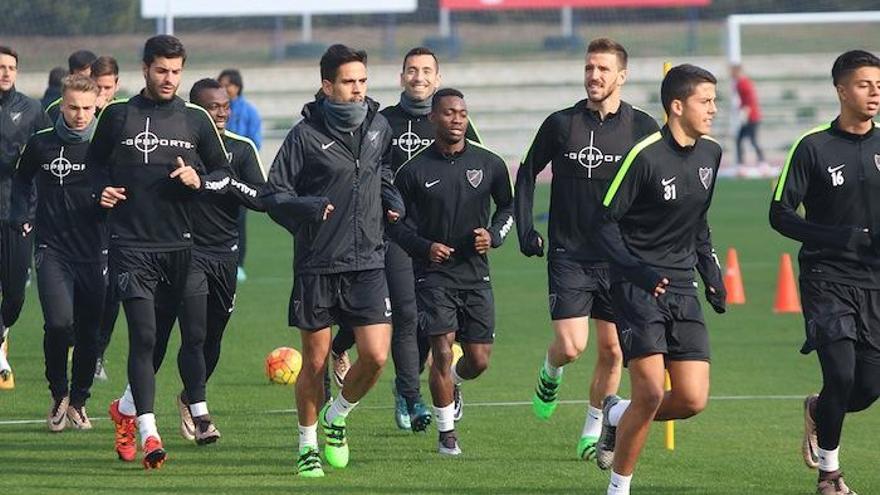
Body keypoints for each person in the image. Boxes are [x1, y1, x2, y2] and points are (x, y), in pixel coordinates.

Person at [87, 35, 232, 469]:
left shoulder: (196, 119)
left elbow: (223, 171)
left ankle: (170, 411)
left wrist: (199, 181)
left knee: (196, 335)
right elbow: (90, 167)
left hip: (183, 247)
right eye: (161, 71)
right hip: (131, 247)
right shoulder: (117, 115)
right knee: (146, 338)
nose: (169, 79)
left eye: (175, 72)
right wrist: (101, 191)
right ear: (146, 68)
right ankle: (150, 432)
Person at [261, 44, 403, 478]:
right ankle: (307, 444)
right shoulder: (303, 136)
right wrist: (307, 207)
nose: (358, 90)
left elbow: (382, 172)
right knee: (317, 364)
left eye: (362, 81)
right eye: (348, 82)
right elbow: (272, 195)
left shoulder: (379, 126)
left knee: (377, 356)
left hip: (368, 262)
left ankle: (337, 417)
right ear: (327, 86)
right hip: (318, 263)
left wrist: (391, 197)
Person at [516, 38, 659, 461]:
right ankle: (550, 368)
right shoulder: (562, 123)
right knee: (572, 346)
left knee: (613, 350)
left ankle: (594, 428)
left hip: (619, 258)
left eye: (603, 69)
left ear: (622, 76)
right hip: (570, 253)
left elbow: (659, 187)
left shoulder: (643, 128)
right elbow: (526, 173)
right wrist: (526, 228)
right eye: (589, 68)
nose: (594, 76)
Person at [331, 46, 482, 431]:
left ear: (438, 78)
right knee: (405, 313)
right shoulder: (382, 122)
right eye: (411, 70)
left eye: (426, 71)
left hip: (441, 239)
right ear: (401, 77)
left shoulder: (454, 121)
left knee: (431, 321)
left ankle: (434, 383)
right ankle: (409, 395)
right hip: (395, 235)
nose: (419, 77)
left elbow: (476, 168)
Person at [593, 64, 726, 495]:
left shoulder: (711, 154)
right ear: (677, 106)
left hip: (682, 288)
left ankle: (614, 415)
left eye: (714, 100)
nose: (713, 110)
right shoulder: (645, 156)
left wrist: (711, 273)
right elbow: (603, 225)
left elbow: (698, 222)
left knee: (691, 400)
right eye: (705, 101)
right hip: (637, 286)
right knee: (650, 392)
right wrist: (637, 271)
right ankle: (619, 488)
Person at [769, 49, 880, 495]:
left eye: (878, 84)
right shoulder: (813, 146)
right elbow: (779, 213)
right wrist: (835, 237)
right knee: (841, 374)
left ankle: (818, 410)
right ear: (840, 90)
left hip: (875, 282)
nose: (874, 92)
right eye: (863, 84)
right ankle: (830, 476)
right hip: (826, 277)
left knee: (868, 388)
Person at [389, 87, 513, 455]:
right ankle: (447, 435)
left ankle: (454, 383)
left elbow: (508, 209)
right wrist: (425, 247)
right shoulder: (412, 171)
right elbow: (395, 226)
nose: (456, 119)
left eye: (461, 113)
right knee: (442, 352)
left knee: (478, 359)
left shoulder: (489, 163)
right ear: (433, 119)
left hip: (475, 274)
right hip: (433, 274)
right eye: (448, 113)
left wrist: (492, 236)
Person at [11, 75, 106, 430]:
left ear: (96, 105)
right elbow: (22, 179)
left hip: (97, 250)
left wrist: (111, 199)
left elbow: (127, 187)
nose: (79, 115)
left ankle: (79, 400)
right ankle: (58, 392)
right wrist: (22, 215)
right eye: (72, 108)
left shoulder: (105, 146)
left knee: (89, 332)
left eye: (86, 108)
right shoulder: (41, 144)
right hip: (53, 248)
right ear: (61, 105)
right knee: (58, 323)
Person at [0, 45, 51, 390]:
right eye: (0, 66)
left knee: (15, 294)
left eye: (11, 67)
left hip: (19, 214)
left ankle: (2, 333)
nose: (5, 72)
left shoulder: (32, 110)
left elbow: (49, 154)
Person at [89, 54, 122, 382]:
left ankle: (97, 351)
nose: (102, 94)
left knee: (112, 289)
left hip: (115, 215)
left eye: (107, 88)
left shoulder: (121, 116)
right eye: (97, 87)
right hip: (78, 217)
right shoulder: (72, 113)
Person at [218, 68, 262, 283]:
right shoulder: (211, 111)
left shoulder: (249, 111)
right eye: (221, 85)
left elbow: (255, 141)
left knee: (240, 221)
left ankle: (239, 264)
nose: (225, 89)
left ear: (237, 86)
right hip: (217, 175)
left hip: (240, 176)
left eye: (228, 85)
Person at [47, 50, 98, 122]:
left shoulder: (108, 107)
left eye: (89, 78)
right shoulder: (55, 110)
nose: (86, 83)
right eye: (80, 79)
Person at [732, 64, 765, 168]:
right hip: (750, 116)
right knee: (740, 139)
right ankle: (741, 162)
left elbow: (750, 100)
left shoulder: (743, 83)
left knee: (751, 140)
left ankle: (761, 161)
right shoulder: (740, 83)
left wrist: (744, 114)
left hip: (752, 117)